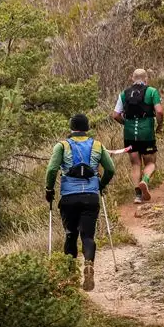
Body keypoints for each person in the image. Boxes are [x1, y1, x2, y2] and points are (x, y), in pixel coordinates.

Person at [45, 113, 116, 291]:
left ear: (71, 128)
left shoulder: (61, 146)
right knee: (87, 236)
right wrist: (101, 184)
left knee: (70, 234)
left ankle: (69, 276)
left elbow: (52, 169)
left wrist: (49, 189)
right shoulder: (98, 146)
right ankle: (89, 264)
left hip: (69, 197)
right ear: (87, 128)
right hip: (90, 197)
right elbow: (110, 169)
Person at [111, 68, 164, 203]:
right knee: (151, 162)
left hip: (129, 134)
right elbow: (159, 112)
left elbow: (115, 115)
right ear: (146, 79)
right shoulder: (152, 91)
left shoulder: (124, 94)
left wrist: (126, 123)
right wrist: (159, 125)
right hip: (146, 133)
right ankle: (145, 181)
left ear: (132, 78)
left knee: (135, 164)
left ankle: (137, 195)